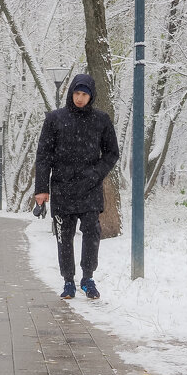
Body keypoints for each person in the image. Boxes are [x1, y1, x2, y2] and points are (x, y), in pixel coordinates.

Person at [33, 73, 119, 300]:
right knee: (64, 236)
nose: (80, 98)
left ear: (91, 96)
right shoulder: (55, 119)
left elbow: (112, 153)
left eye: (85, 94)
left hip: (90, 188)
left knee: (92, 234)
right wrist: (41, 189)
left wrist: (96, 173)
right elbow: (43, 155)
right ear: (71, 93)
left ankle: (88, 278)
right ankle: (68, 280)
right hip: (62, 187)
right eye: (77, 93)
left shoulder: (102, 120)